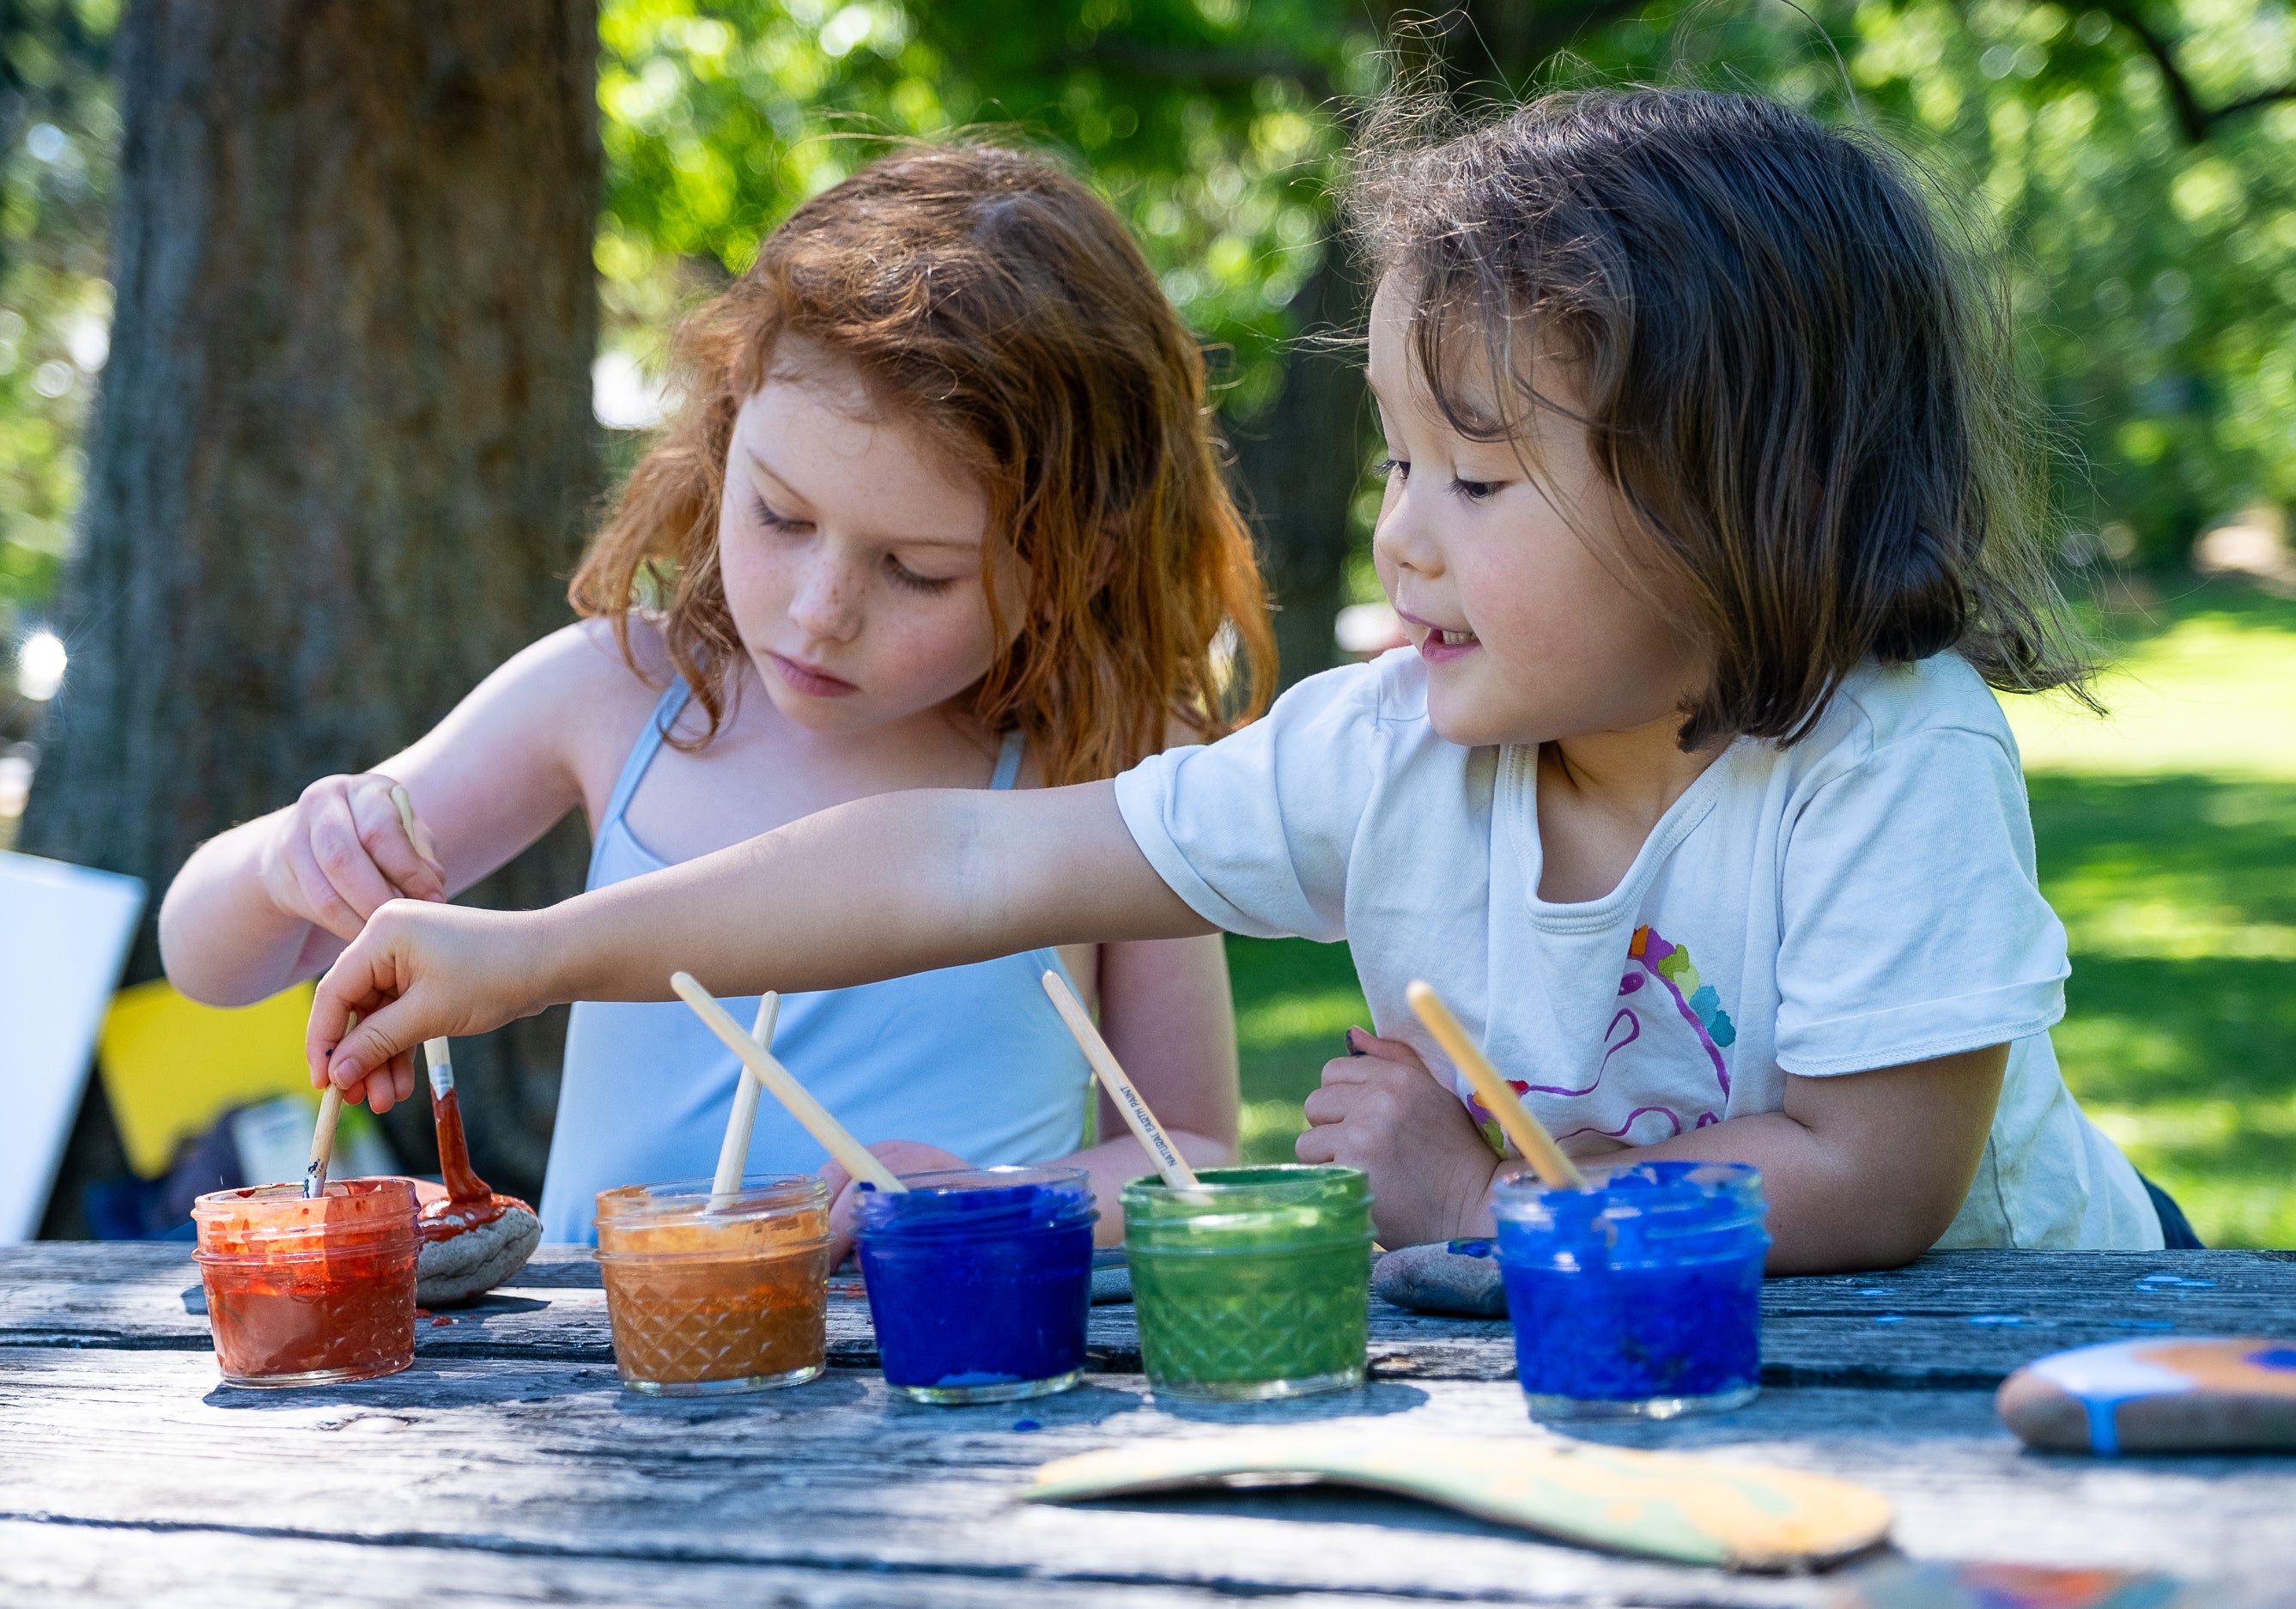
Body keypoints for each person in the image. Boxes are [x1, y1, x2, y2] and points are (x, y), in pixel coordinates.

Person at [301, 89, 2176, 1270]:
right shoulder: (1382, 757)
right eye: (1392, 466)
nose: (1402, 540)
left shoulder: (1882, 758)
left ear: (1738, 503)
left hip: (2020, 1347)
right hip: (1653, 1359)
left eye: (1477, 476)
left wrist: (1482, 1199)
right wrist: (536, 951)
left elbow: (1873, 1178)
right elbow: (953, 862)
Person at [162, 144, 1269, 1244]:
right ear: (729, 421)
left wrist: (1004, 1194)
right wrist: (290, 860)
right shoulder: (619, 691)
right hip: (613, 1386)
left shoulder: (1113, 756)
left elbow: (1194, 1148)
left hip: (945, 1394)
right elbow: (209, 959)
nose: (820, 608)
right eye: (782, 517)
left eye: (916, 570)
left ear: (1087, 560)